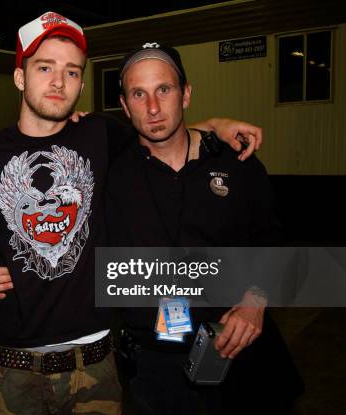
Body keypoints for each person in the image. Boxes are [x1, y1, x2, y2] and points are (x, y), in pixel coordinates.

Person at [0, 12, 263, 415]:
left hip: (96, 362)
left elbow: (161, 128)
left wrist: (217, 126)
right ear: (20, 77)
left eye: (71, 72)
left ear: (82, 84)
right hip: (13, 367)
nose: (57, 82)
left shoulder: (100, 136)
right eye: (44, 67)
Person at [106, 42, 303, 414]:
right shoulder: (111, 173)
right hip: (156, 367)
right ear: (124, 104)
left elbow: (273, 242)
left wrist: (254, 301)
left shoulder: (237, 162)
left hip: (240, 353)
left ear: (186, 94)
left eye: (164, 89)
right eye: (139, 93)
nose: (152, 107)